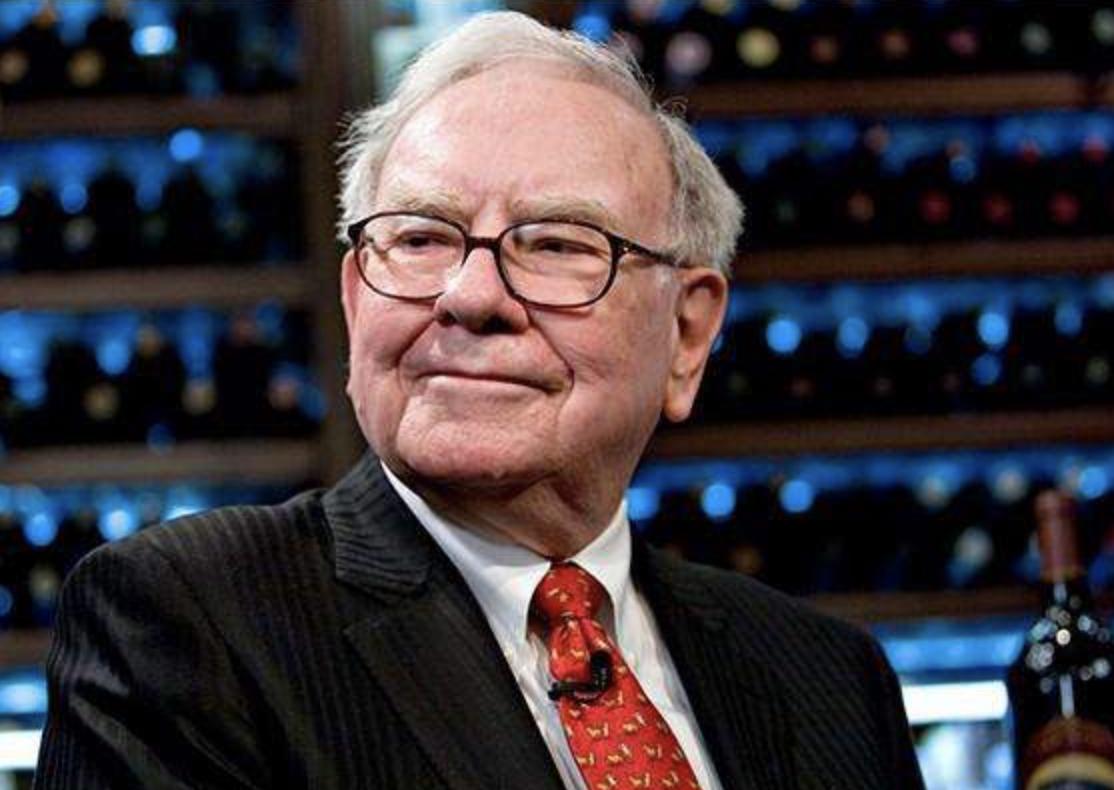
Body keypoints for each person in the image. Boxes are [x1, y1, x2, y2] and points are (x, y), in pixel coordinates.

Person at [36, 11, 925, 790]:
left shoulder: (829, 678)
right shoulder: (188, 622)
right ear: (356, 302)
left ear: (688, 335)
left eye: (557, 244)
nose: (470, 295)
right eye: (420, 238)